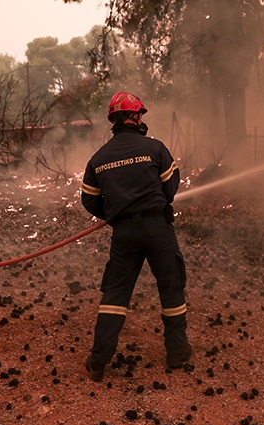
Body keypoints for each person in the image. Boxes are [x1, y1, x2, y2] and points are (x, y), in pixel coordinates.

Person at [80, 91, 191, 382]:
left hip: (124, 233)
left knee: (115, 295)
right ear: (134, 117)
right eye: (140, 113)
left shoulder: (98, 158)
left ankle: (99, 361)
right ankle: (177, 354)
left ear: (113, 120)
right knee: (171, 287)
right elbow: (170, 188)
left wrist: (113, 212)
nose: (142, 118)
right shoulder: (154, 148)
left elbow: (89, 200)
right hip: (158, 229)